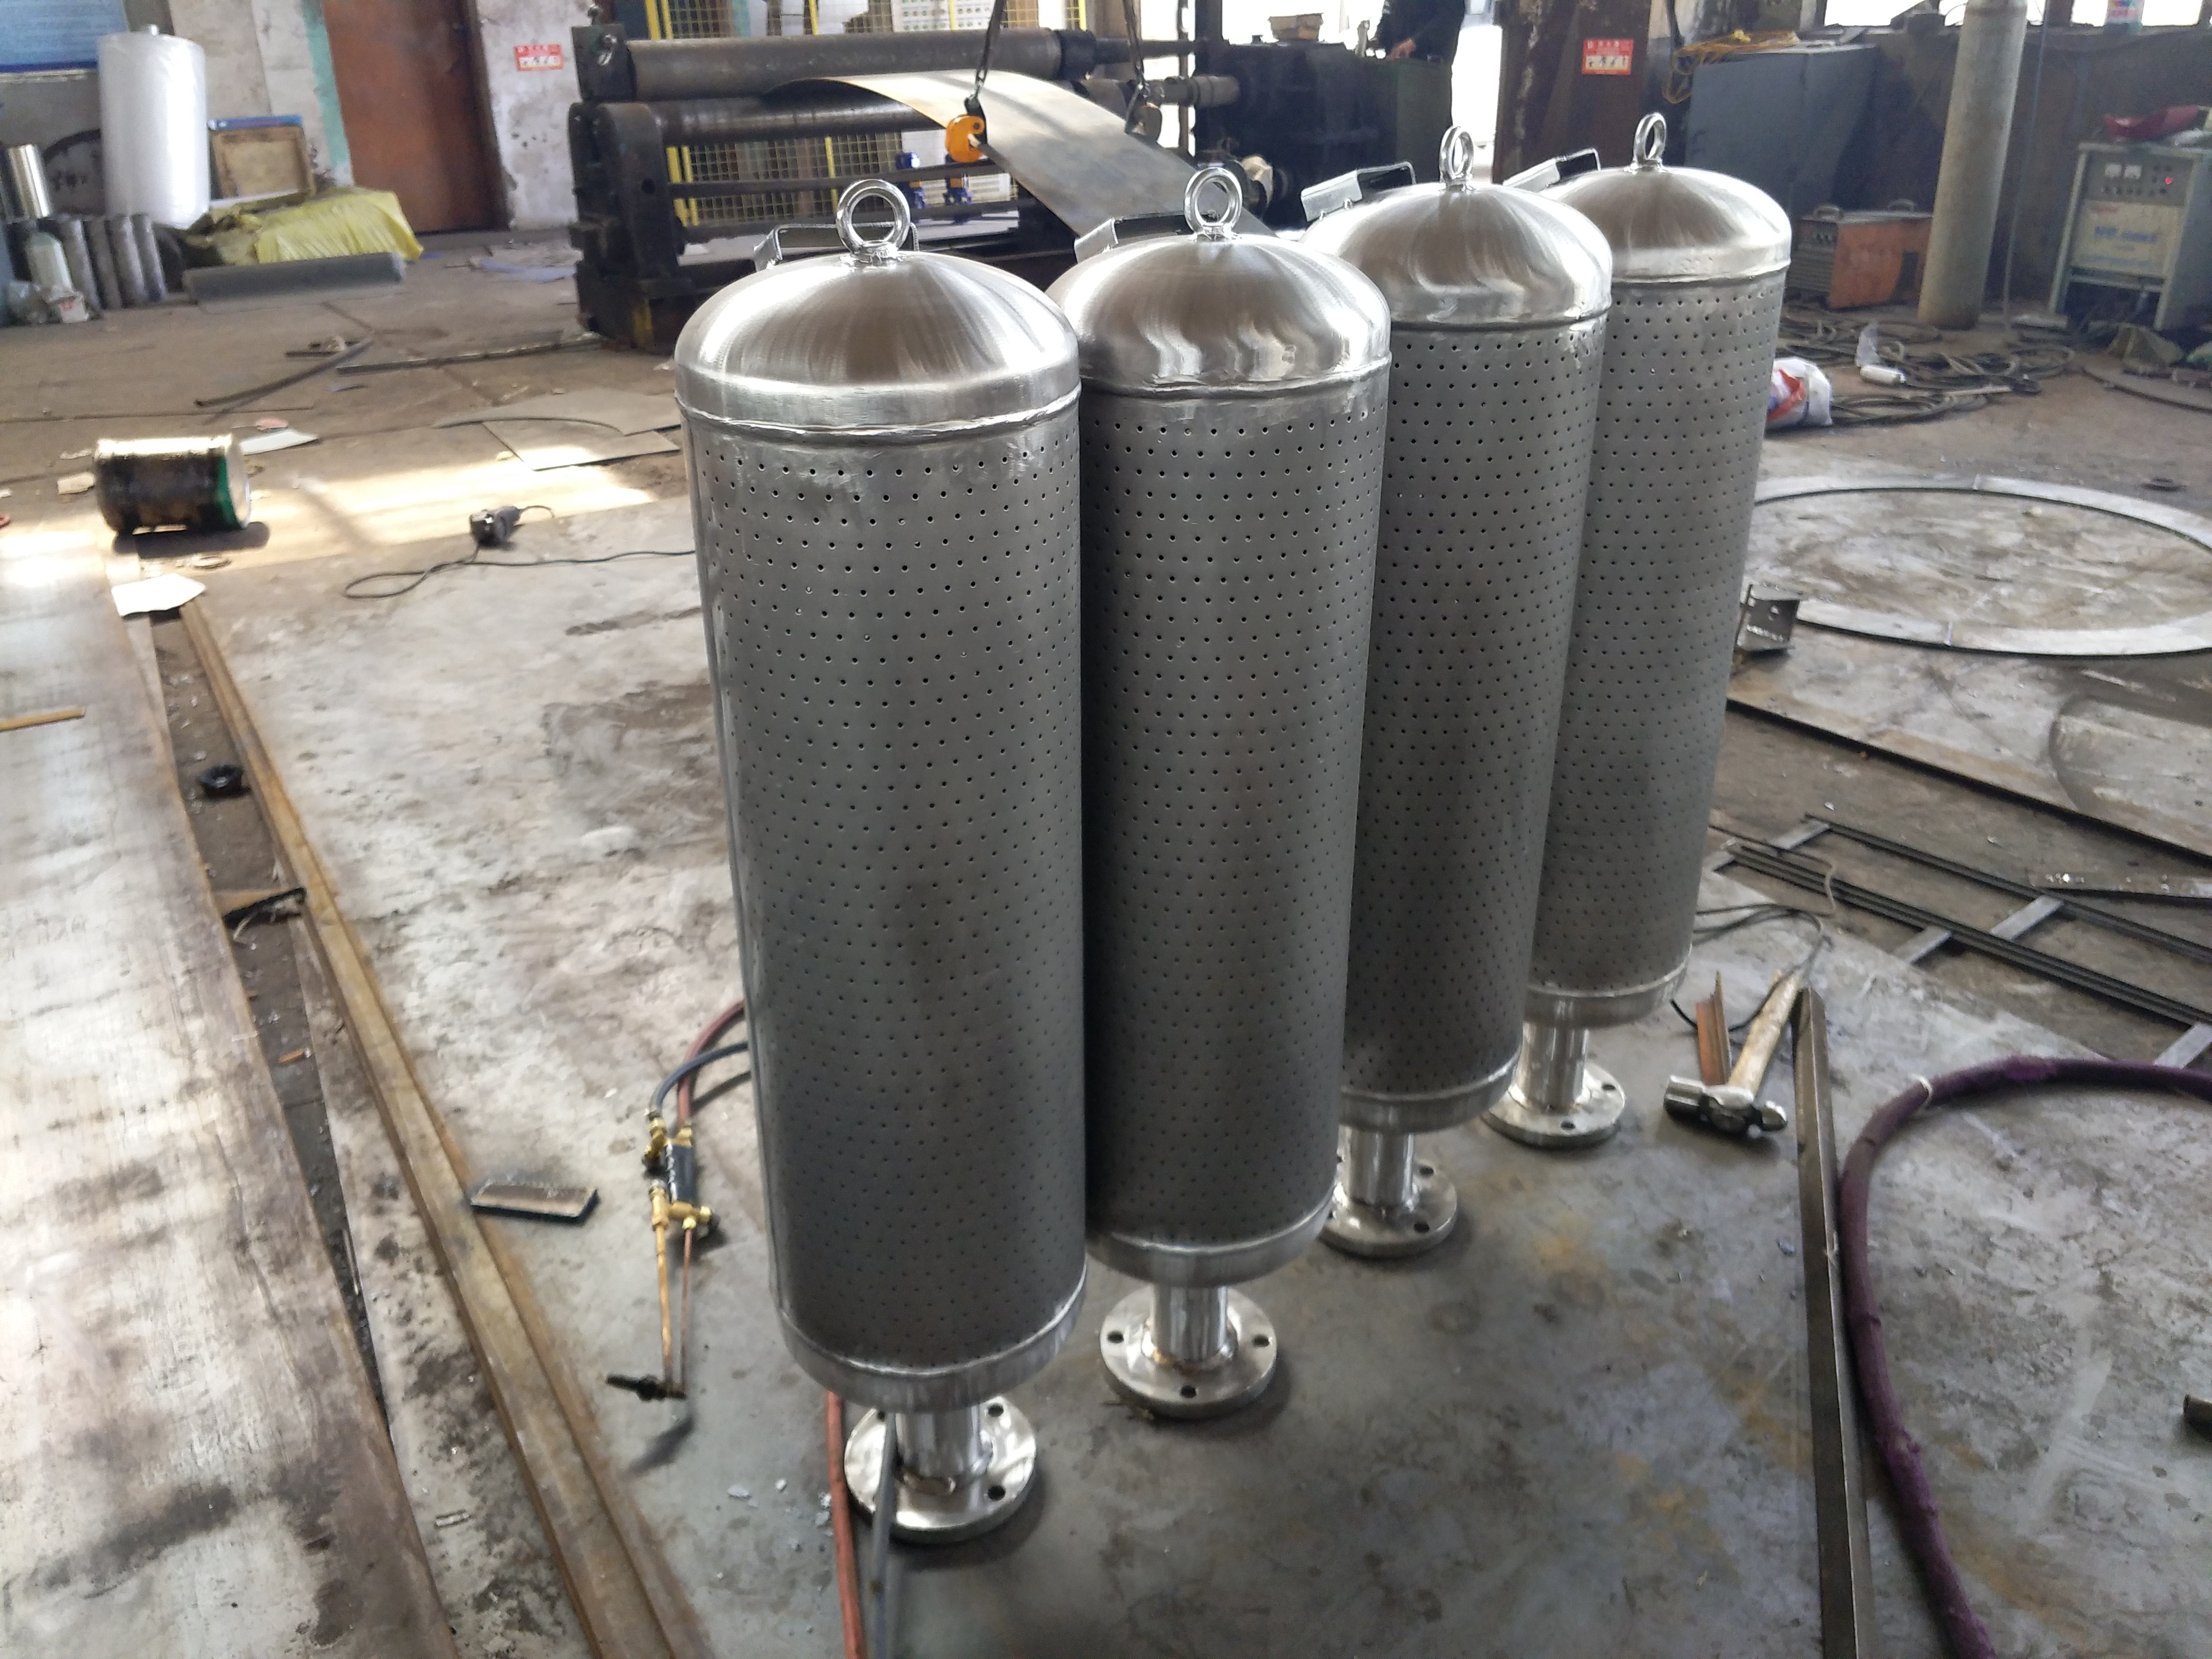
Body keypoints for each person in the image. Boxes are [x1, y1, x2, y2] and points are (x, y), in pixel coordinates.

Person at [1374, 0, 1465, 61]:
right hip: (1396, 62)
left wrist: (1416, 42)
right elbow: (1389, 11)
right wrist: (1379, 38)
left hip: (1428, 64)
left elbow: (1449, 18)